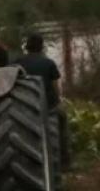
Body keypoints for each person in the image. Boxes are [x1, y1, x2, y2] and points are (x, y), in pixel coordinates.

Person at [13, 33, 69, 169]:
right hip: (47, 105)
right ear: (42, 47)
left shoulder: (17, 62)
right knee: (62, 119)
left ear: (27, 47)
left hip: (22, 106)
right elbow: (55, 86)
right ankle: (64, 161)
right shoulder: (48, 63)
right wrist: (59, 101)